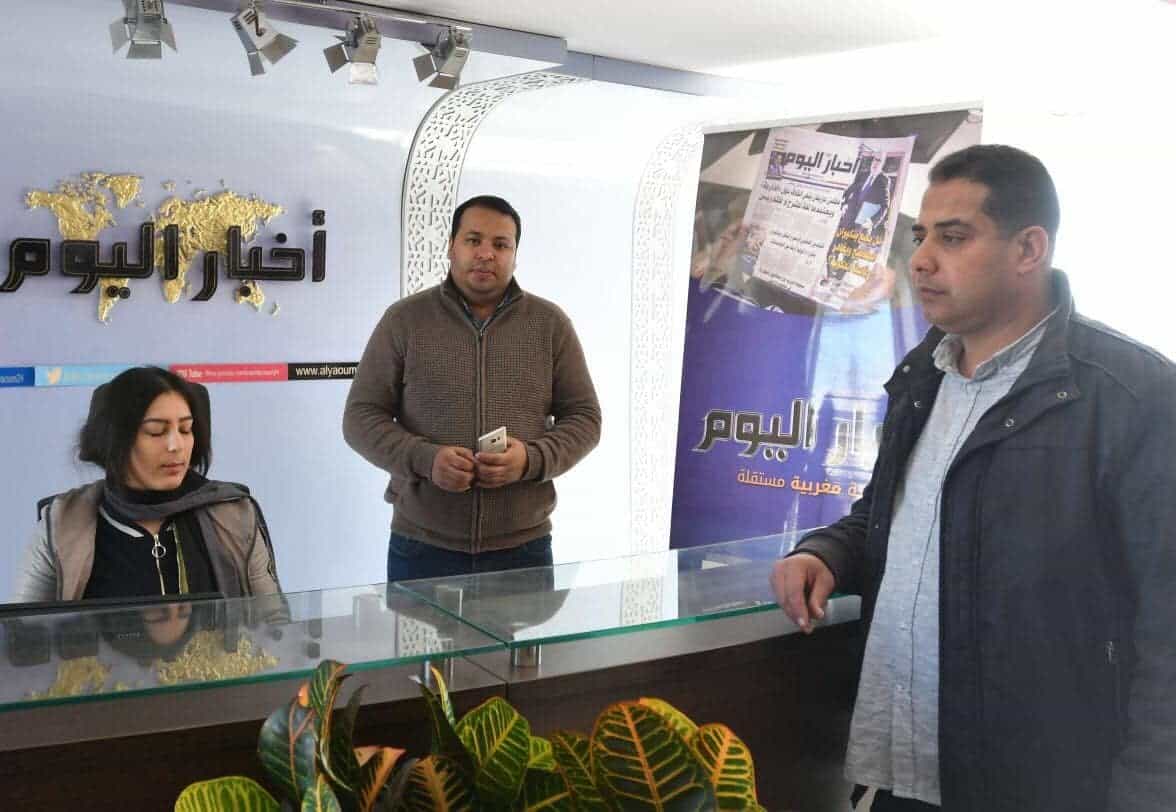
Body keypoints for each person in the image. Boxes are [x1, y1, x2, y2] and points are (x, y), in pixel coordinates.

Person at [771, 144, 1176, 811]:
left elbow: (1167, 622)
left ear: (1028, 249)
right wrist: (827, 551)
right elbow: (896, 513)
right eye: (921, 236)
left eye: (953, 238)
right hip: (906, 772)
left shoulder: (1132, 395)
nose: (922, 260)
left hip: (1042, 785)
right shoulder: (922, 374)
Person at [344, 195, 601, 582]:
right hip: (422, 546)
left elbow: (585, 418)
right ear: (451, 246)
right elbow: (360, 418)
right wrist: (427, 460)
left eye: (501, 244)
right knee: (416, 629)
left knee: (520, 630)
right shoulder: (404, 320)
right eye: (473, 240)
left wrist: (530, 460)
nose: (486, 253)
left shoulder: (550, 324)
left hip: (523, 550)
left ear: (515, 255)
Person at [15, 366, 281, 602]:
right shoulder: (63, 523)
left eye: (186, 429)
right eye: (156, 431)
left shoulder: (234, 514)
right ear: (115, 440)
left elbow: (273, 625)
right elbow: (23, 634)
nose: (176, 445)